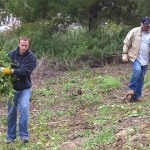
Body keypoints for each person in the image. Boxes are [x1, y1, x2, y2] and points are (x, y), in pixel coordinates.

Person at [1, 36, 37, 143]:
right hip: (12, 88)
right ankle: (10, 137)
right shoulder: (11, 54)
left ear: (28, 45)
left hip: (25, 88)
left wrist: (11, 71)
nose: (24, 48)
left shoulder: (31, 57)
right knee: (11, 111)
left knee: (24, 108)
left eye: (26, 45)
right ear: (19, 44)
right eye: (22, 45)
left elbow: (24, 71)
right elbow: (3, 64)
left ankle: (23, 136)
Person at [122, 16, 150, 102]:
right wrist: (124, 54)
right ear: (141, 24)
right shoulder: (134, 31)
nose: (147, 27)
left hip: (145, 58)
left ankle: (137, 96)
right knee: (137, 70)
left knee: (141, 77)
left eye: (149, 25)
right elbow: (126, 43)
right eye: (145, 25)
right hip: (135, 56)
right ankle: (131, 89)